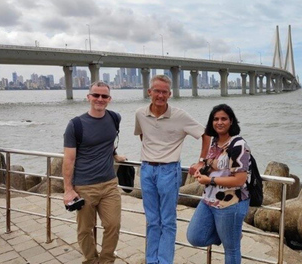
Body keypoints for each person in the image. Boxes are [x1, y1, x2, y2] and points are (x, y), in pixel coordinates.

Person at [134, 74, 210, 264]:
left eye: (164, 92)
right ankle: (152, 260)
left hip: (169, 171)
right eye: (156, 91)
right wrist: (153, 152)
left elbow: (206, 134)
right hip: (146, 170)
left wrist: (202, 161)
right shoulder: (140, 114)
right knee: (152, 220)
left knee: (167, 220)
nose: (160, 95)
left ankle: (165, 261)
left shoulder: (180, 116)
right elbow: (143, 136)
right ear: (149, 92)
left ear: (170, 94)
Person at [63, 81, 126, 264]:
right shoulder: (75, 125)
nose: (100, 99)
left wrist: (115, 155)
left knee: (113, 225)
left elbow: (108, 140)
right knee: (85, 229)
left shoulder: (115, 118)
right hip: (84, 186)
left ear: (109, 99)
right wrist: (68, 189)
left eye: (104, 96)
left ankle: (106, 261)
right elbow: (69, 159)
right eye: (96, 95)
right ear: (88, 97)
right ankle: (90, 260)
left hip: (109, 184)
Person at [187, 104, 251, 264]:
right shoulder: (215, 142)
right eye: (215, 119)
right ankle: (231, 234)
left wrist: (211, 180)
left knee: (231, 249)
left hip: (230, 203)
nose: (219, 122)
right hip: (209, 200)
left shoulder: (238, 145)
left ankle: (231, 235)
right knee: (195, 237)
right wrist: (200, 170)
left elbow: (240, 179)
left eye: (224, 119)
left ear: (231, 122)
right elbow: (213, 167)